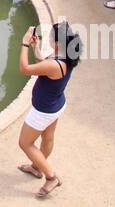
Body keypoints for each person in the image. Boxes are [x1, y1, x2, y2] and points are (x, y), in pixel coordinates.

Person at [17, 21, 78, 198]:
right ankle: (36, 167)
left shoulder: (55, 62)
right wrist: (36, 49)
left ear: (57, 42)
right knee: (47, 138)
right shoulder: (64, 55)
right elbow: (45, 66)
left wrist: (25, 43)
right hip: (56, 105)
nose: (49, 38)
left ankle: (51, 177)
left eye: (51, 36)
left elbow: (25, 69)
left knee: (25, 143)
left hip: (43, 111)